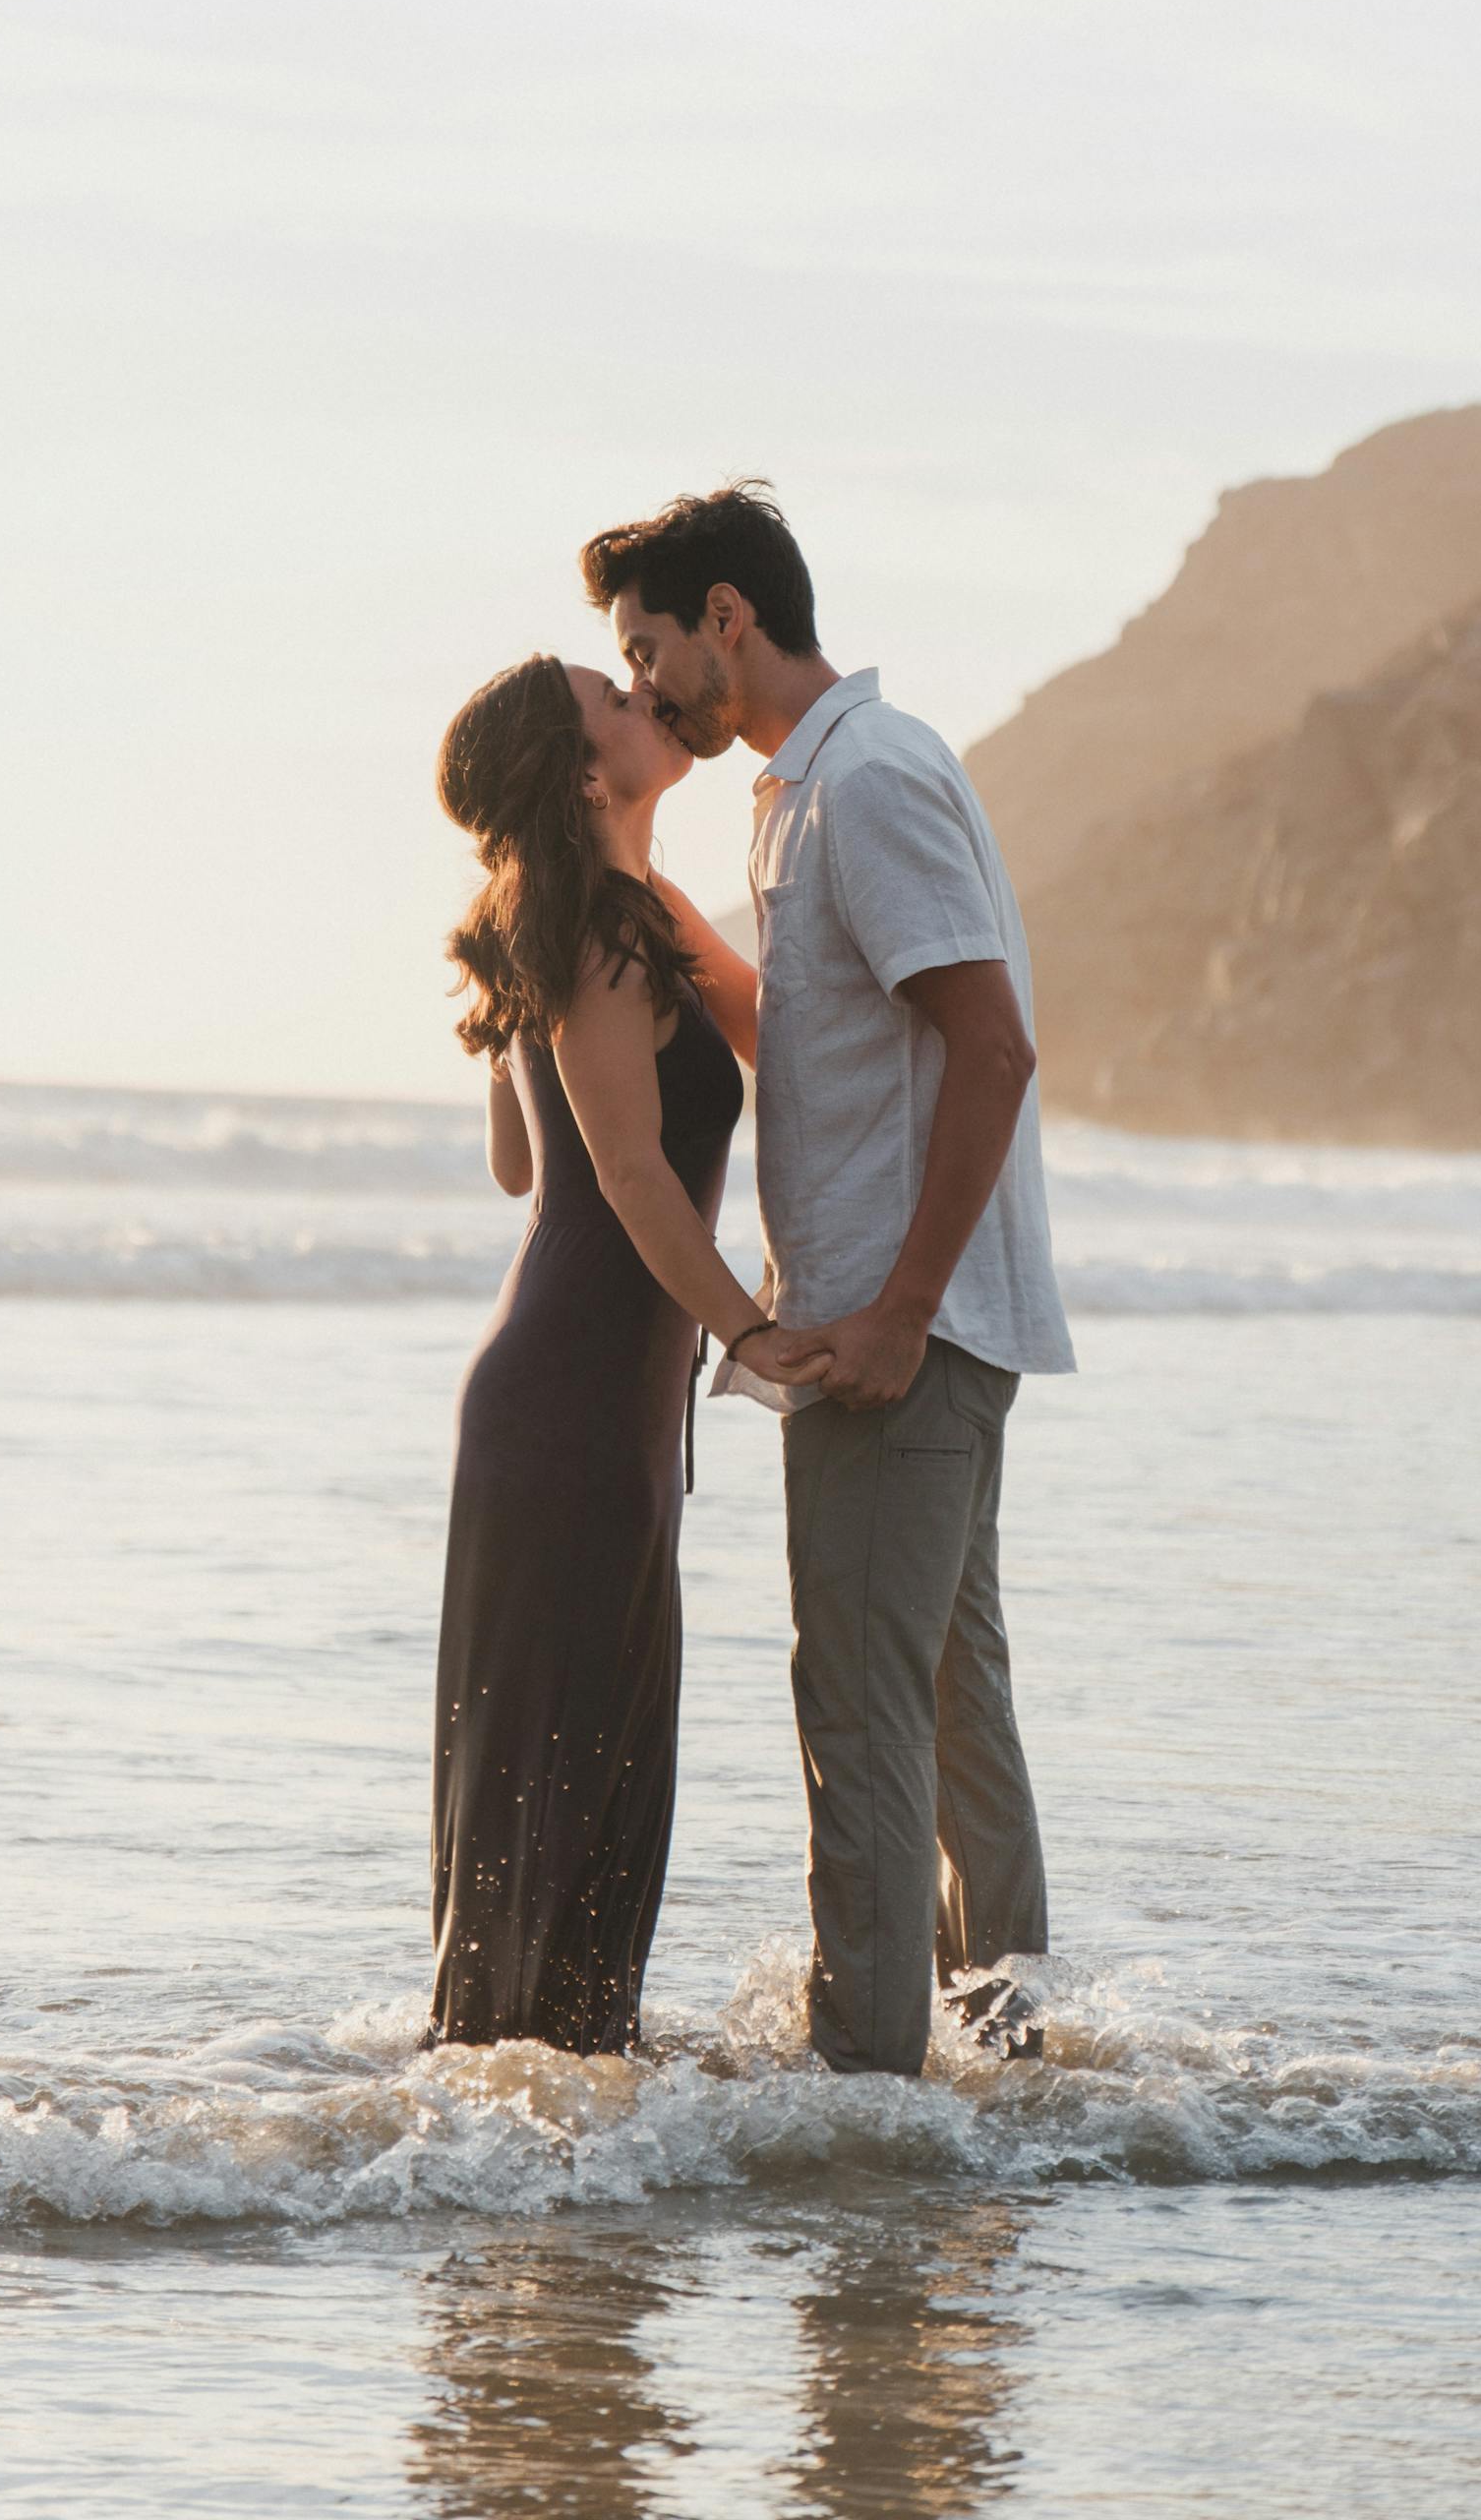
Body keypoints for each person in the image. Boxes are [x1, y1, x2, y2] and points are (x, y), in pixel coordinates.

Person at [583, 482, 1077, 2076]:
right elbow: (801, 1037)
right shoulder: (804, 792)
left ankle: (865, 2097)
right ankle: (1000, 2060)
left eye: (650, 646)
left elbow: (993, 1047)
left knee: (861, 1712)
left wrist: (897, 1313)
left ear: (728, 616)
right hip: (903, 1321)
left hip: (895, 1336)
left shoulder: (865, 781)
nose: (648, 684)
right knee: (944, 1700)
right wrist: (630, 879)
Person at [426, 651, 825, 2056]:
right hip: (580, 1405)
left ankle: (543, 2129)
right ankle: (521, 2114)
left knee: (573, 1770)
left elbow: (514, 1157)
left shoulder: (605, 914)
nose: (642, 697)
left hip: (584, 1398)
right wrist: (758, 1333)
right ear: (586, 767)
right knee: (569, 1770)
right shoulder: (594, 926)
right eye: (613, 693)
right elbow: (633, 1179)